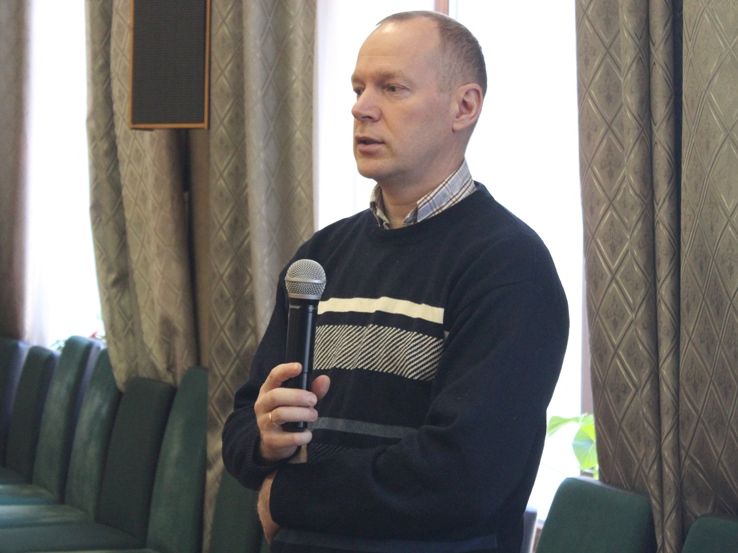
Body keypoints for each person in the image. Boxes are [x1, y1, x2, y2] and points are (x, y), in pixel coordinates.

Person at [222, 11, 569, 553]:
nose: (361, 107)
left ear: (464, 107)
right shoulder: (319, 258)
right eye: (358, 88)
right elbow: (243, 424)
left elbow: (459, 478)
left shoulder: (510, 267)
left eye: (392, 88)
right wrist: (262, 441)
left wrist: (289, 495)